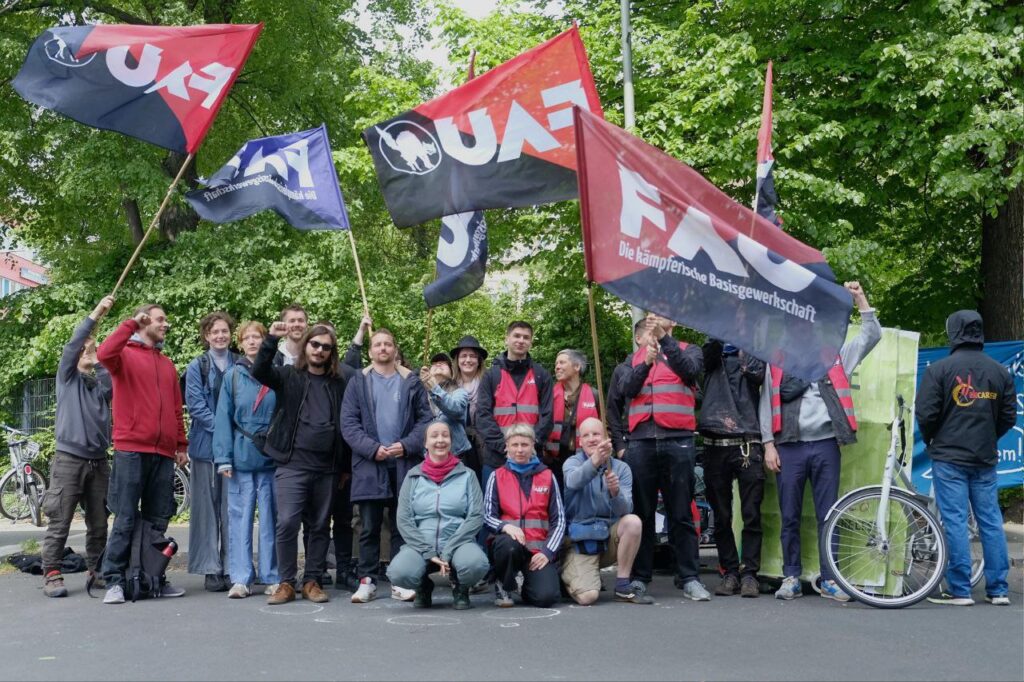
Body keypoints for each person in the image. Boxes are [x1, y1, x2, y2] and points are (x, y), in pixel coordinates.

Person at [760, 282, 881, 602]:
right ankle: (791, 576)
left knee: (830, 513)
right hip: (789, 446)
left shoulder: (834, 356)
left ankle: (831, 578)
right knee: (789, 514)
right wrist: (768, 444)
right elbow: (765, 403)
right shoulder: (778, 362)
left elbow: (872, 336)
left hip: (826, 444)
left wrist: (860, 300)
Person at [918, 311, 1015, 606]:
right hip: (984, 458)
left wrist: (933, 438)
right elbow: (1008, 416)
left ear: (954, 332)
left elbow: (925, 414)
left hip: (949, 456)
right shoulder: (999, 371)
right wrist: (988, 436)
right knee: (990, 522)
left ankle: (960, 590)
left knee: (956, 521)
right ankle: (998, 590)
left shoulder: (940, 369)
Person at [253, 322, 353, 605]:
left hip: (328, 468)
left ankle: (312, 580)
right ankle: (286, 582)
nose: (320, 350)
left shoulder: (339, 383)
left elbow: (346, 427)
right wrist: (271, 338)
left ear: (332, 352)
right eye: (315, 345)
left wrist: (345, 467)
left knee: (320, 525)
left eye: (326, 347)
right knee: (286, 523)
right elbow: (259, 370)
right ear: (306, 345)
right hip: (292, 464)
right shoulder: (288, 375)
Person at [97, 303, 188, 604]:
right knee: (124, 518)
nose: (166, 324)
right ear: (145, 321)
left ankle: (153, 578)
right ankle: (113, 581)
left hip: (163, 453)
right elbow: (103, 353)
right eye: (161, 319)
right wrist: (129, 324)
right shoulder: (123, 356)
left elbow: (176, 409)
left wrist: (181, 445)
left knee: (157, 520)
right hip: (131, 449)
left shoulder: (167, 364)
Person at [619, 312, 708, 600]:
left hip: (678, 440)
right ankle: (640, 576)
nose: (653, 318)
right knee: (642, 512)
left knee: (680, 512)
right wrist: (646, 362)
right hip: (641, 443)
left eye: (661, 315)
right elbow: (626, 390)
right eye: (649, 315)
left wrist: (665, 341)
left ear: (674, 324)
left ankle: (689, 577)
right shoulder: (631, 361)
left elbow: (689, 371)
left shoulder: (688, 350)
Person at [342, 328, 432, 603]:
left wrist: (406, 445)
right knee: (368, 527)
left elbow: (425, 420)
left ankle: (398, 580)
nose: (383, 348)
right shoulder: (359, 381)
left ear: (395, 349)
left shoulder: (411, 381)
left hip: (403, 464)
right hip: (370, 464)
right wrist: (372, 449)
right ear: (370, 351)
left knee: (400, 527)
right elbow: (348, 423)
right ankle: (367, 580)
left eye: (388, 344)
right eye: (377, 345)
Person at [41, 296, 115, 598]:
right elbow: (73, 344)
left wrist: (97, 357)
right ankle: (52, 573)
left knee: (99, 522)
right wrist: (96, 314)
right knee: (60, 520)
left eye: (91, 347)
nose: (86, 350)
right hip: (69, 460)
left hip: (98, 461)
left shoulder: (99, 384)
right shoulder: (67, 377)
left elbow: (111, 384)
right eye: (83, 348)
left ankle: (97, 570)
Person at [387, 421, 488, 609]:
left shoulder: (468, 475)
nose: (440, 440)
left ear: (452, 441)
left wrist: (449, 548)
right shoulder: (413, 476)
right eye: (434, 436)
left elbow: (475, 516)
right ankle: (423, 586)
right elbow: (404, 519)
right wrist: (428, 551)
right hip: (420, 543)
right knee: (399, 573)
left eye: (445, 435)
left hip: (459, 542)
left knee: (476, 564)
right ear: (425, 443)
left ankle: (460, 586)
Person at [213, 321, 280, 599]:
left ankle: (272, 575)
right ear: (240, 344)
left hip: (272, 457)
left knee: (271, 519)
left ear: (265, 341)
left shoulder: (277, 373)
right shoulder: (233, 376)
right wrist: (223, 458)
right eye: (247, 338)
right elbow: (222, 418)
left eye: (258, 337)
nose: (252, 342)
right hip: (240, 457)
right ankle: (240, 578)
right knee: (239, 518)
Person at [698, 339, 766, 598]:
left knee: (751, 512)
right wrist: (719, 331)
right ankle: (730, 572)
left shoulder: (754, 350)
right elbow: (703, 362)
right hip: (715, 443)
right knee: (721, 515)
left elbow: (758, 374)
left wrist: (743, 344)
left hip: (748, 442)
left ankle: (750, 574)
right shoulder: (712, 352)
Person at [560, 418, 652, 605]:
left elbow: (626, 509)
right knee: (588, 597)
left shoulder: (621, 468)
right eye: (586, 435)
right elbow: (573, 482)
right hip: (580, 542)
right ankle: (566, 573)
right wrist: (595, 462)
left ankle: (622, 585)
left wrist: (615, 492)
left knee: (633, 522)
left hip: (606, 539)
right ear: (580, 441)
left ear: (606, 437)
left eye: (596, 434)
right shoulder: (571, 463)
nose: (592, 438)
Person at [483, 424, 565, 608]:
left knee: (546, 598)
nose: (519, 450)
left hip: (537, 549)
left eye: (524, 445)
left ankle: (524, 585)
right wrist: (505, 526)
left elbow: (559, 520)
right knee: (508, 546)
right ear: (507, 447)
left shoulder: (547, 475)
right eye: (515, 445)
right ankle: (503, 583)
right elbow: (487, 516)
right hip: (510, 546)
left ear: (533, 446)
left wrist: (547, 552)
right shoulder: (497, 476)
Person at [185, 311, 238, 592]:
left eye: (224, 331)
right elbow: (195, 406)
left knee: (232, 509)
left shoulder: (240, 364)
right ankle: (210, 567)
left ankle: (232, 566)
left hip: (234, 451)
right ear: (206, 336)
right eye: (214, 331)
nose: (220, 335)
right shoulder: (197, 366)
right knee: (206, 510)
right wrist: (223, 430)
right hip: (205, 448)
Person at [476, 322, 554, 488]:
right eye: (516, 336)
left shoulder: (542, 375)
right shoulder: (491, 376)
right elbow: (482, 415)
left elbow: (547, 415)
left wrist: (532, 444)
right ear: (507, 339)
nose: (521, 340)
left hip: (531, 457)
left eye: (526, 337)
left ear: (531, 342)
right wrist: (503, 446)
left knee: (532, 509)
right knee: (493, 509)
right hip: (496, 458)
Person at [544, 348, 600, 489]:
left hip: (584, 461)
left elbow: (605, 426)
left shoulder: (594, 395)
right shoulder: (549, 395)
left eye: (562, 362)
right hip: (553, 461)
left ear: (577, 367)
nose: (557, 367)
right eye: (556, 363)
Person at [420, 352, 473, 460]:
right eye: (434, 364)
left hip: (456, 457)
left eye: (443, 363)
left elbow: (456, 409)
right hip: (427, 458)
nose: (438, 365)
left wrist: (434, 388)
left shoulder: (460, 392)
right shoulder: (420, 394)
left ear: (452, 373)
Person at [606, 319, 647, 459]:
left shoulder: (671, 366)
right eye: (653, 333)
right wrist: (619, 446)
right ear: (638, 338)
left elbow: (697, 396)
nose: (658, 337)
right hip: (632, 441)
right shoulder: (622, 370)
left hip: (667, 440)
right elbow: (612, 410)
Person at [451, 335, 488, 478]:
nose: (468, 360)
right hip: (457, 445)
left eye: (472, 356)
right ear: (457, 360)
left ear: (479, 361)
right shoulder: (450, 385)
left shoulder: (488, 383)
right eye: (464, 356)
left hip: (483, 445)